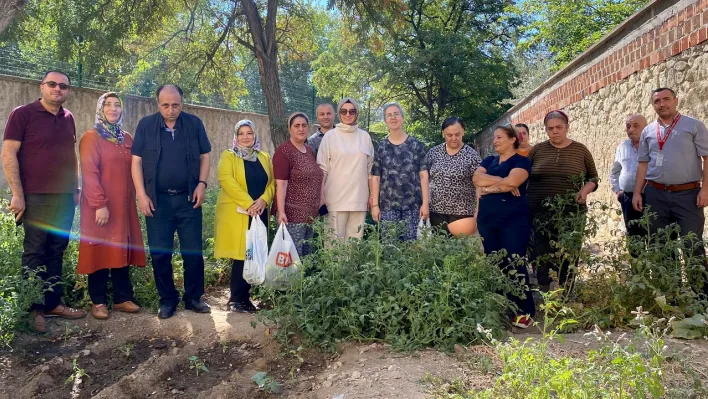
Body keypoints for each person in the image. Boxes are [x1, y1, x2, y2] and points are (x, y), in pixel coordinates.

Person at [2, 70, 86, 332]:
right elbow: (8, 154)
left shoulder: (68, 118)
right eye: (52, 84)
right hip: (35, 197)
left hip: (63, 198)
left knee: (56, 250)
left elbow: (71, 156)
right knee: (34, 252)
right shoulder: (22, 114)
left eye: (63, 86)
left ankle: (53, 303)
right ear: (42, 87)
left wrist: (75, 187)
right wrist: (18, 194)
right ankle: (34, 308)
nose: (57, 89)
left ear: (68, 91)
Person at [131, 84, 212, 319]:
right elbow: (136, 161)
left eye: (175, 105)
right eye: (165, 105)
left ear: (182, 103)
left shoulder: (194, 124)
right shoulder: (146, 125)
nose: (170, 110)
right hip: (157, 202)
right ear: (158, 104)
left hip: (188, 199)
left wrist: (202, 184)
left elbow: (205, 156)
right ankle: (167, 300)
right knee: (160, 254)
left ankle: (193, 298)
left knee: (193, 251)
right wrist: (141, 194)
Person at [78, 92, 146, 319]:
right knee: (99, 250)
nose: (113, 109)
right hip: (101, 207)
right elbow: (89, 172)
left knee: (120, 248)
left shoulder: (126, 138)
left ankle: (122, 298)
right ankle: (98, 301)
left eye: (117, 105)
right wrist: (99, 204)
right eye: (108, 105)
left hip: (123, 208)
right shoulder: (92, 137)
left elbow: (137, 169)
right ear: (100, 109)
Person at [633, 88, 708, 290]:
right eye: (657, 101)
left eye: (666, 99)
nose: (662, 104)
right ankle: (669, 293)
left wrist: (705, 189)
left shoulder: (693, 126)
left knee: (691, 244)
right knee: (661, 244)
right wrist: (638, 192)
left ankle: (700, 296)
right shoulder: (648, 131)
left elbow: (707, 158)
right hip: (655, 194)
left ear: (676, 101)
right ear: (653, 105)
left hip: (688, 194)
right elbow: (643, 163)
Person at [527, 110, 599, 293]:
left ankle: (566, 292)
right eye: (550, 128)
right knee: (541, 250)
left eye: (559, 127)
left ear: (567, 127)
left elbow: (593, 178)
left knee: (569, 251)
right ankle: (544, 291)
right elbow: (523, 174)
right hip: (539, 211)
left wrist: (584, 191)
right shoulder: (537, 150)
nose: (555, 131)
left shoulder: (580, 150)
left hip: (571, 212)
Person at [474, 125, 535, 328]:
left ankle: (524, 310)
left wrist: (489, 189)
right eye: (494, 138)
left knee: (514, 262)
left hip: (513, 221)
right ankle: (501, 308)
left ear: (512, 139)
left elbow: (514, 182)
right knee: (495, 264)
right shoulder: (489, 160)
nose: (495, 141)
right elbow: (476, 178)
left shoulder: (522, 161)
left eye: (499, 137)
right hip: (488, 221)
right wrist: (503, 181)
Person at [214, 119, 274, 313]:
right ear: (236, 136)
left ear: (255, 135)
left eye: (249, 133)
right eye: (241, 133)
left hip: (259, 212)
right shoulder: (229, 156)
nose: (246, 137)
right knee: (242, 254)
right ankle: (236, 299)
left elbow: (273, 183)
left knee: (254, 253)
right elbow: (226, 180)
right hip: (240, 212)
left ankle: (246, 298)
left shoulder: (264, 157)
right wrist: (249, 203)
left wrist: (264, 200)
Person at [370, 103, 429, 241]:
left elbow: (423, 174)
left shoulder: (416, 145)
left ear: (402, 118)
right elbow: (376, 177)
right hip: (388, 207)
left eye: (396, 114)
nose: (393, 118)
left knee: (412, 249)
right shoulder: (381, 147)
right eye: (389, 115)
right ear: (385, 120)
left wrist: (425, 203)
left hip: (413, 206)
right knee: (390, 250)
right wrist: (375, 205)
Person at [317, 98, 374, 241]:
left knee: (354, 246)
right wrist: (321, 197)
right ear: (339, 113)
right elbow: (321, 169)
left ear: (357, 113)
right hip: (334, 200)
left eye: (352, 111)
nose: (348, 114)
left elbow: (370, 170)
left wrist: (372, 196)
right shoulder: (330, 136)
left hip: (359, 200)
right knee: (333, 245)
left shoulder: (365, 136)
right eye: (344, 111)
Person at [273, 113, 324, 255]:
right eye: (296, 126)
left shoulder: (308, 150)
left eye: (304, 125)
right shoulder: (284, 151)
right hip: (292, 217)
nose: (301, 129)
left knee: (306, 260)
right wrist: (281, 212)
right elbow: (281, 185)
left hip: (310, 217)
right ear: (289, 129)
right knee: (292, 260)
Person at [427, 117, 482, 237]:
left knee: (460, 252)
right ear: (443, 134)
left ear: (463, 131)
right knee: (439, 249)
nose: (453, 138)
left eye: (457, 134)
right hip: (436, 211)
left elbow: (479, 183)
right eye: (449, 135)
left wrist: (478, 208)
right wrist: (425, 203)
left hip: (462, 213)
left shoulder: (471, 155)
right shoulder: (433, 153)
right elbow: (425, 179)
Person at [610, 114, 648, 255]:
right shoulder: (622, 147)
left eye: (635, 125)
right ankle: (638, 273)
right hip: (628, 198)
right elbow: (615, 172)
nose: (631, 129)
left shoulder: (654, 144)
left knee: (653, 234)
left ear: (646, 127)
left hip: (651, 197)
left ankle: (656, 272)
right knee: (633, 235)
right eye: (628, 126)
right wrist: (618, 191)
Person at [307, 103, 334, 216]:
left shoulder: (343, 137)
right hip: (321, 193)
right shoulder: (311, 141)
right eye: (322, 114)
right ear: (317, 116)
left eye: (328, 113)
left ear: (334, 115)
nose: (325, 117)